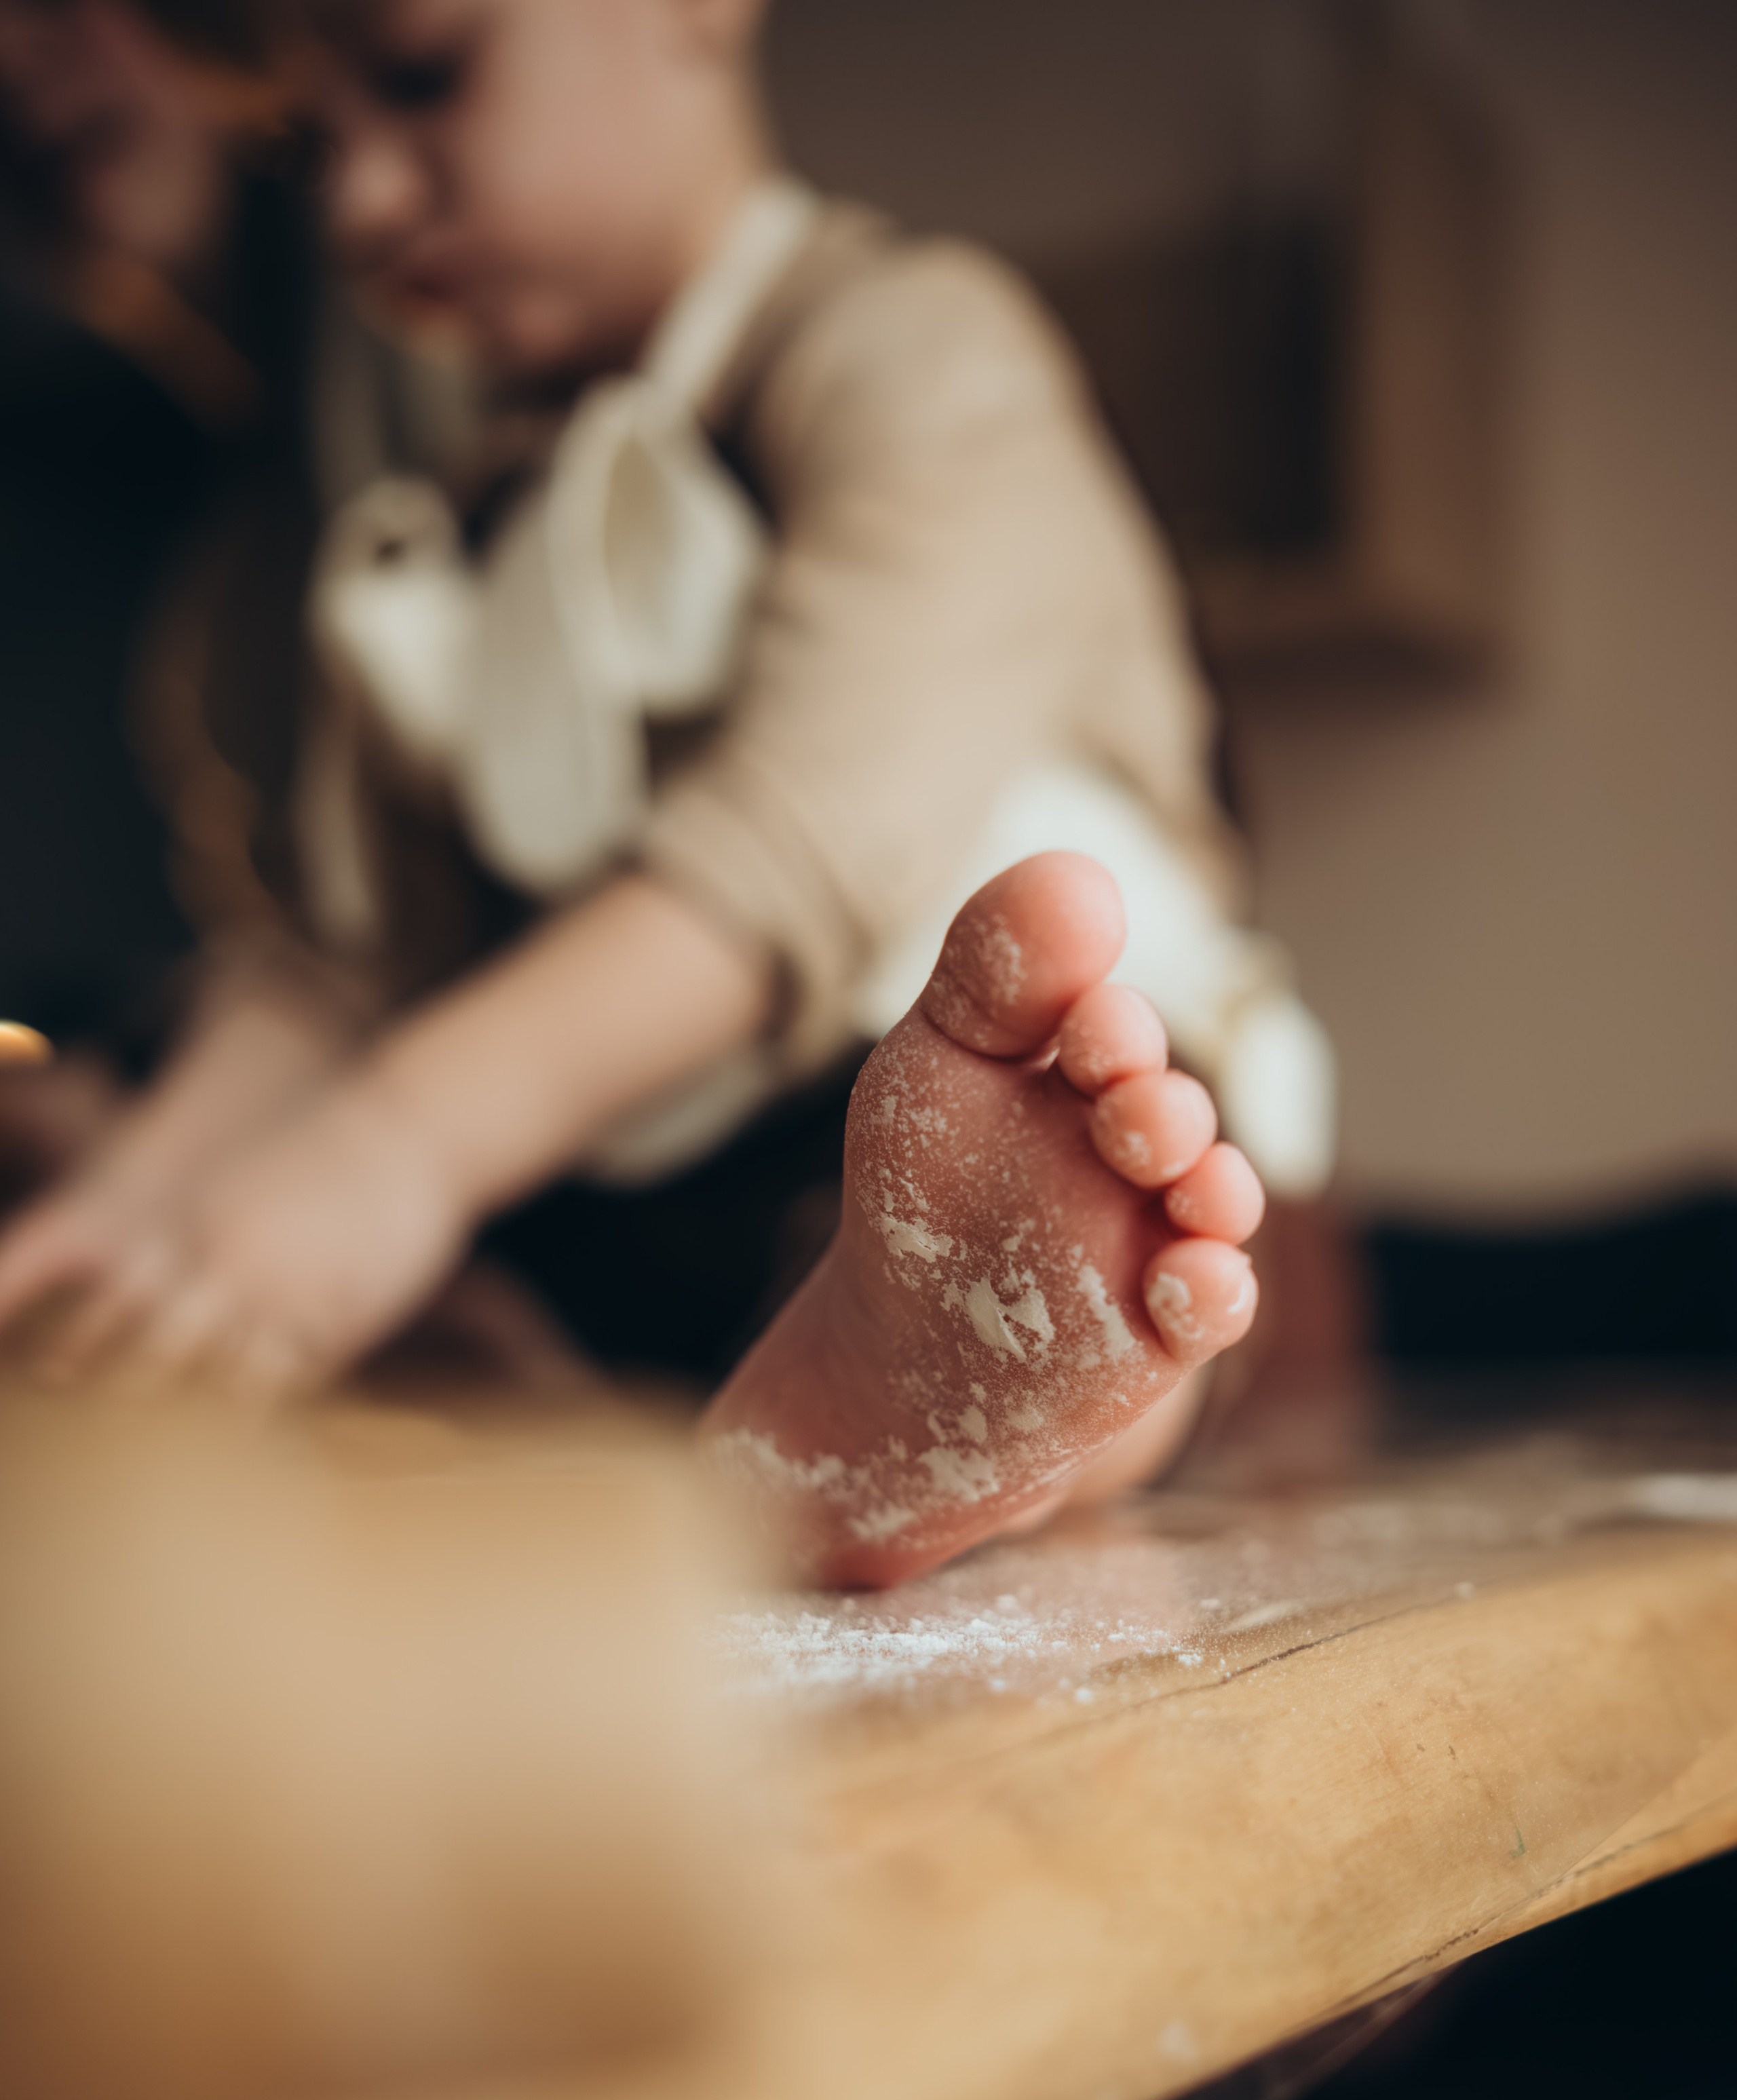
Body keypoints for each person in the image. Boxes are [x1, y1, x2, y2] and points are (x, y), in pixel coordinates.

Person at [0, 0, 1329, 1576]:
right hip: (682, 1198)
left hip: (1068, 1126)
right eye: (309, 137)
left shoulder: (911, 348)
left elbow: (772, 861)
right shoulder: (456, 510)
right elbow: (353, 956)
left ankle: (1000, 1368)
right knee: (436, 1260)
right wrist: (149, 1203)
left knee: (1105, 1196)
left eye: (427, 78)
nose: (354, 198)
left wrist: (386, 1160)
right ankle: (736, 1409)